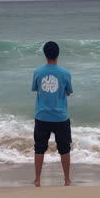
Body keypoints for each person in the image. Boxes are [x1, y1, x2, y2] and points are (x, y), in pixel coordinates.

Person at [31, 41, 73, 187]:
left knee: (39, 148)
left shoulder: (37, 72)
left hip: (42, 115)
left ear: (45, 54)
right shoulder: (65, 73)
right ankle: (67, 180)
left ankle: (37, 179)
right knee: (65, 148)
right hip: (61, 116)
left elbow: (36, 88)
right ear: (58, 54)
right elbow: (68, 92)